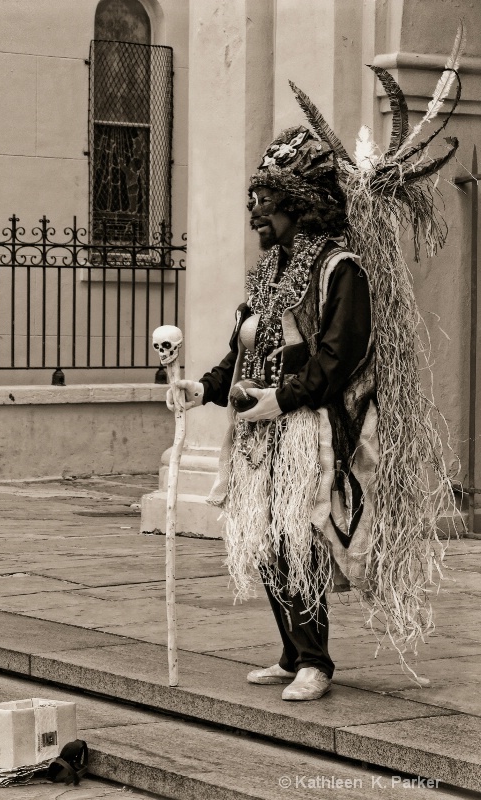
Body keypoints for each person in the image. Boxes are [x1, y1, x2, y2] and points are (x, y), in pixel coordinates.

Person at [167, 60, 461, 698]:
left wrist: (281, 400)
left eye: (265, 196)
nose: (254, 206)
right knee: (266, 538)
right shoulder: (268, 270)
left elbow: (336, 359)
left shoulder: (341, 267)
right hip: (257, 431)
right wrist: (205, 388)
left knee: (299, 534)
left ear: (297, 202)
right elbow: (243, 347)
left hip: (308, 431)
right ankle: (290, 649)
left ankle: (315, 662)